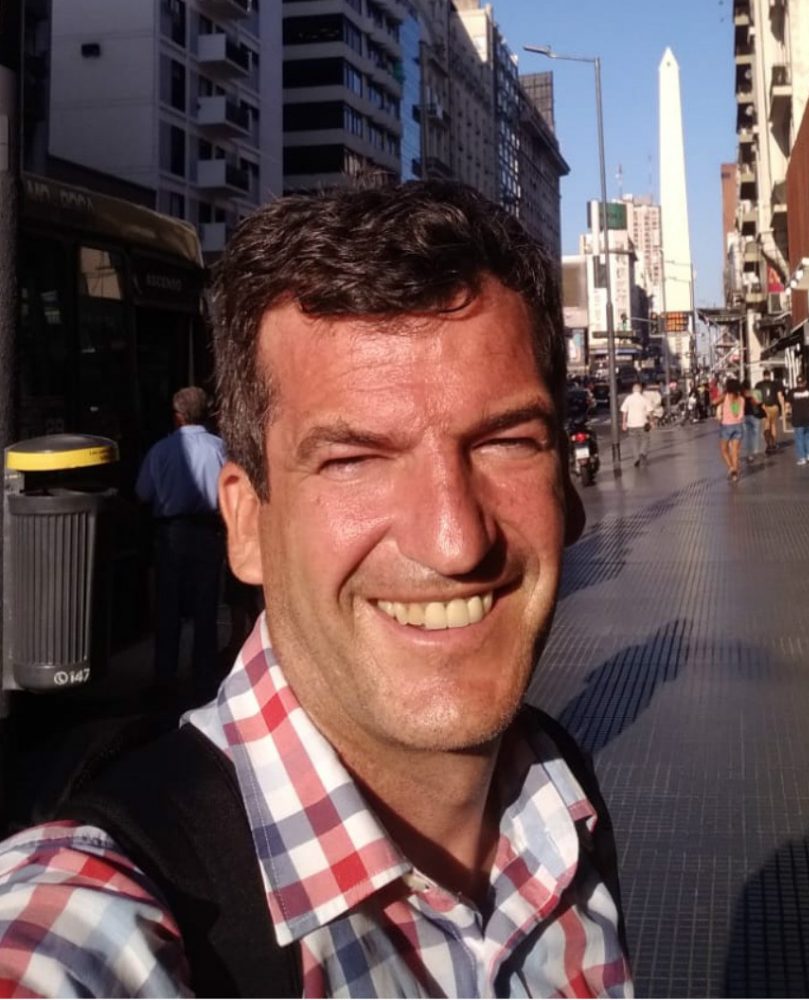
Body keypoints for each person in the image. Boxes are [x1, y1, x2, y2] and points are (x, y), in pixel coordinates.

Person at [0, 182, 632, 997]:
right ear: (246, 524)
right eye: (353, 461)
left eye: (506, 443)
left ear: (566, 495)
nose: (455, 541)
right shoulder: (93, 911)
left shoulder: (565, 803)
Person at [134, 386, 226, 696]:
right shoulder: (219, 449)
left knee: (168, 607)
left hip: (172, 534)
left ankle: (166, 676)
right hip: (208, 532)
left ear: (178, 417)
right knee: (206, 607)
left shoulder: (160, 451)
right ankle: (204, 676)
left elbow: (142, 493)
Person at [785, 374, 809, 466]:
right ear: (805, 382)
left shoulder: (792, 392)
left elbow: (787, 405)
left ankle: (802, 458)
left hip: (797, 418)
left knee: (799, 438)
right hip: (808, 417)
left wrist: (788, 413)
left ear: (797, 382)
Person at [717, 376, 745, 481]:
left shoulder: (726, 396)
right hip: (738, 426)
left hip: (727, 426)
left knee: (724, 449)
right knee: (735, 451)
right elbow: (736, 413)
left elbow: (713, 402)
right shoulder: (741, 399)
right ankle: (735, 474)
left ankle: (732, 468)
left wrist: (724, 396)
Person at [621, 381, 654, 466]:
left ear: (633, 389)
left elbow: (624, 411)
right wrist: (651, 421)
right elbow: (650, 411)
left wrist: (624, 423)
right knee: (645, 439)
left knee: (633, 441)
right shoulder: (644, 399)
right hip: (643, 423)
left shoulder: (628, 398)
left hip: (631, 424)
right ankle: (642, 452)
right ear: (640, 390)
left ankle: (636, 458)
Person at [755, 368, 786, 454]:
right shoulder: (775, 384)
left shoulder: (758, 385)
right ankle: (773, 443)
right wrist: (783, 407)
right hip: (774, 407)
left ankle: (768, 443)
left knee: (766, 426)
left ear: (763, 375)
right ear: (770, 375)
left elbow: (756, 398)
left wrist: (759, 406)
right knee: (773, 425)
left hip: (764, 407)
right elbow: (780, 396)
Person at [741, 380, 764, 464]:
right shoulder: (754, 393)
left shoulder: (741, 395)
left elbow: (736, 406)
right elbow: (759, 402)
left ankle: (749, 454)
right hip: (755, 415)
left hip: (745, 416)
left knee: (747, 436)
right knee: (756, 434)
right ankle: (756, 451)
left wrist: (736, 414)